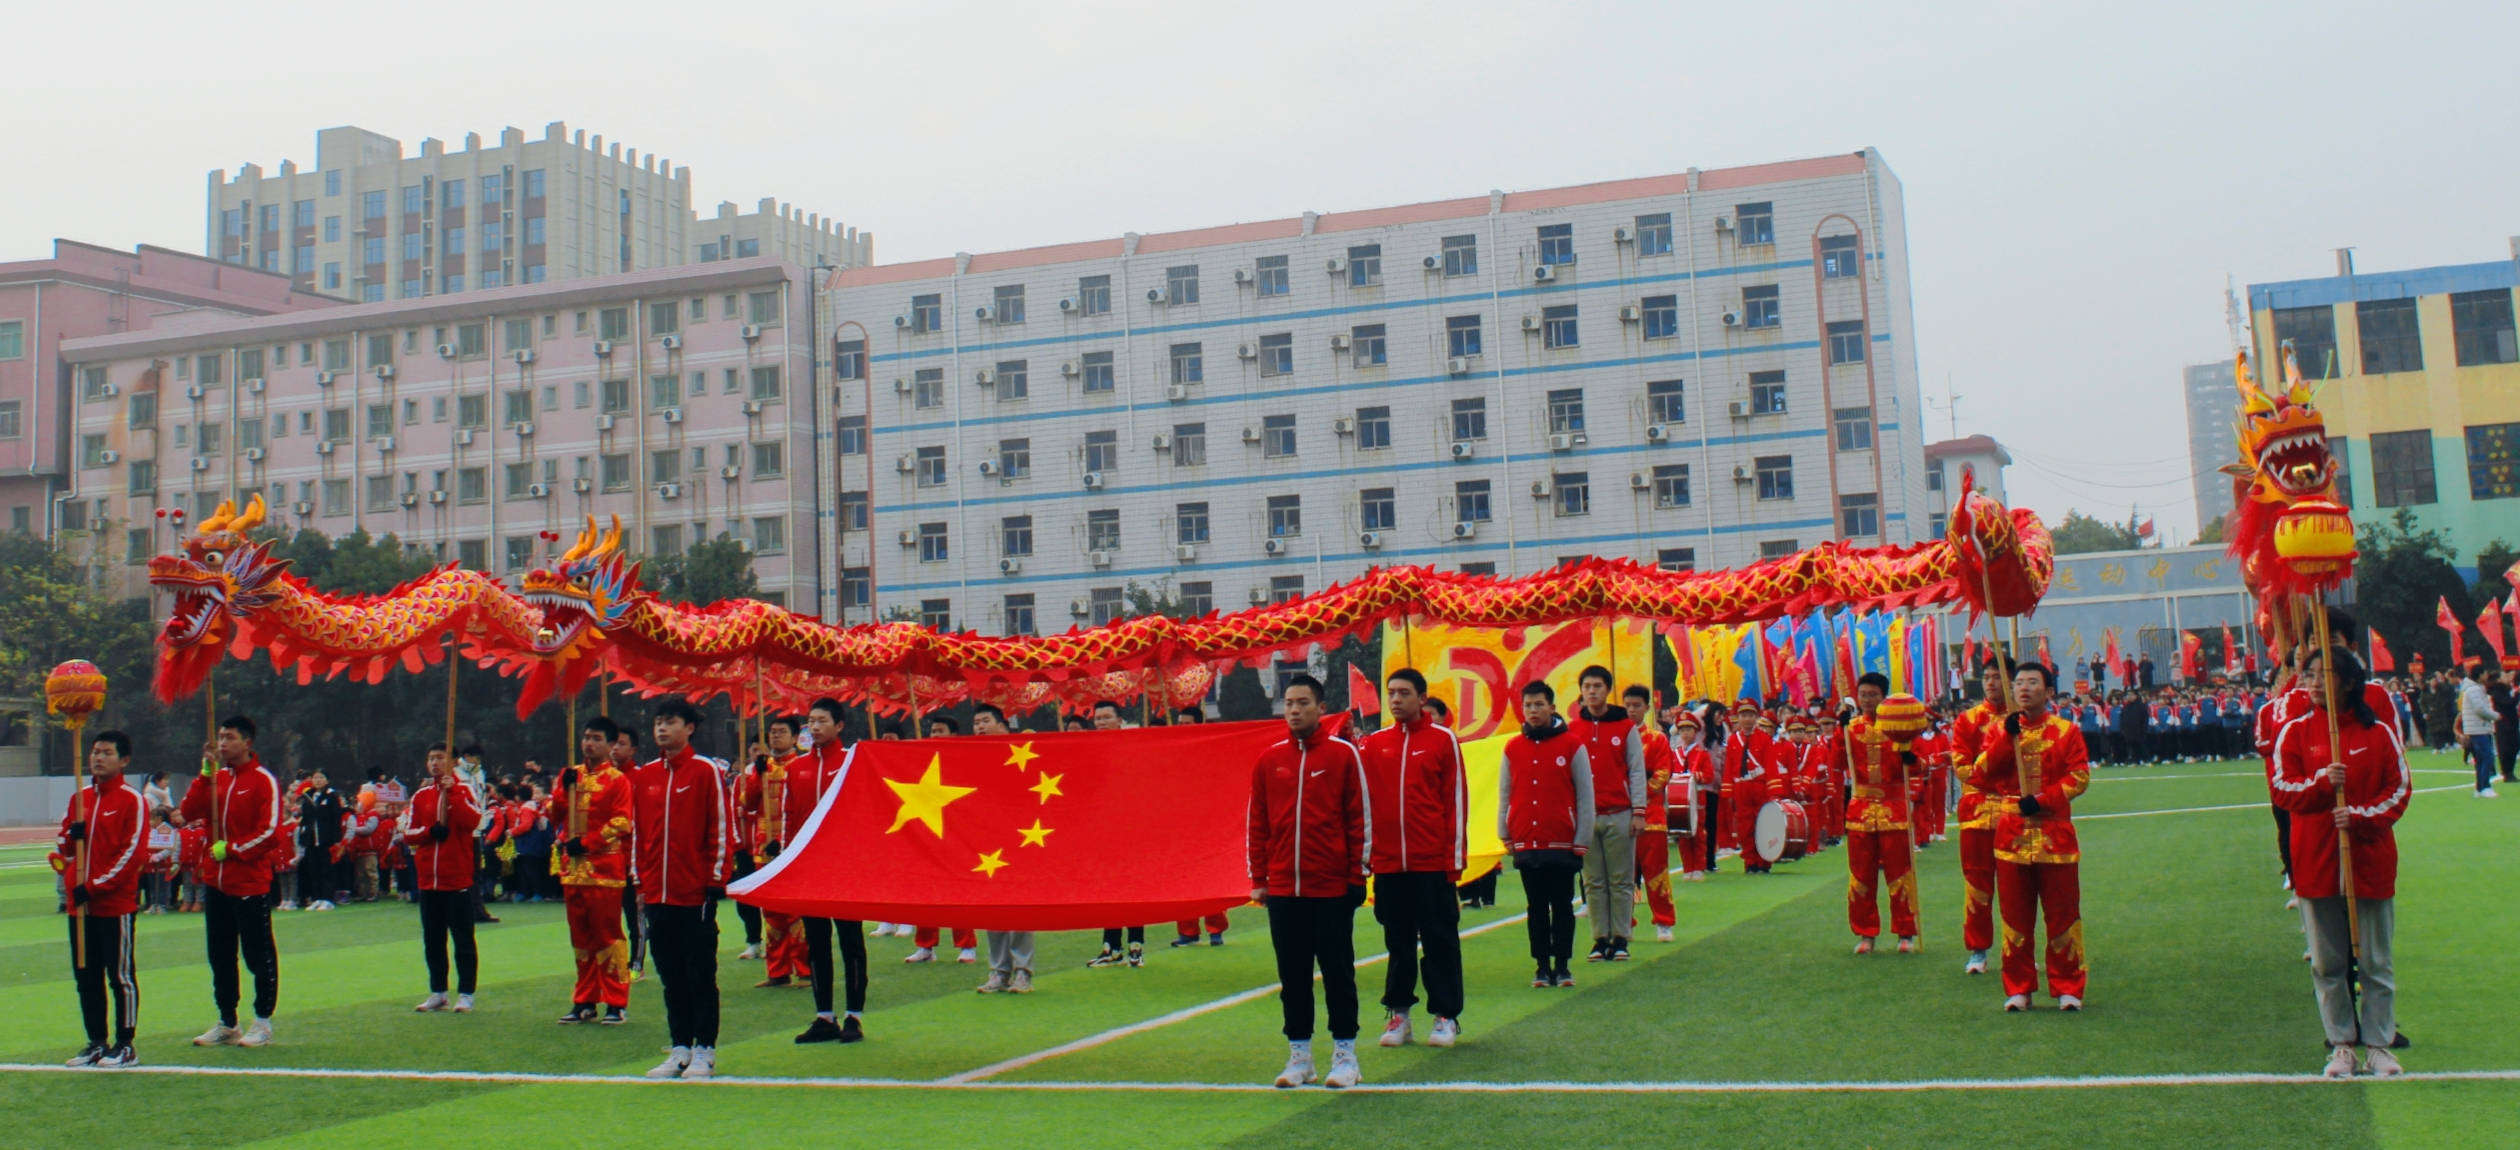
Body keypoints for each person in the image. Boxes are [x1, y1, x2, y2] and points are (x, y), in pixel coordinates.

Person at [2272, 646, 2410, 1078]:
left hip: (2369, 860)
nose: (2312, 683)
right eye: (2308, 675)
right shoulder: (2294, 732)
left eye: (2322, 674)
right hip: (2316, 862)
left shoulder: (2378, 733)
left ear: (2348, 682)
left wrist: (2360, 817)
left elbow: (2399, 790)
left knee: (2376, 962)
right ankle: (2341, 1045)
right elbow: (2282, 789)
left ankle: (2379, 1045)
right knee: (2327, 963)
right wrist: (2321, 783)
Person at [1247, 674, 1370, 1089]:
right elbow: (1257, 822)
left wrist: (1356, 874)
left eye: (1303, 702)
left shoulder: (1343, 755)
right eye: (1289, 703)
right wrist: (1259, 877)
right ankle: (1299, 1056)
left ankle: (1345, 1055)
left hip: (1332, 887)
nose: (1295, 710)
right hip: (1284, 889)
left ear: (1321, 708)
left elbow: (1360, 817)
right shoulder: (1269, 760)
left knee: (1338, 973)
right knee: (1293, 976)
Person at [1972, 662, 2091, 1011]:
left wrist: (2041, 800)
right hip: (2012, 837)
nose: (2024, 688)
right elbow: (1980, 774)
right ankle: (2019, 987)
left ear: (2049, 691)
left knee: (2063, 914)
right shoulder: (2000, 730)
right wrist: (2005, 741)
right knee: (2015, 916)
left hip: (2055, 835)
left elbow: (2079, 778)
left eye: (2032, 682)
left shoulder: (2067, 731)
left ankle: (2068, 986)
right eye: (2019, 682)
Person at [1359, 668, 1467, 1049]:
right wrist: (1367, 856)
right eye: (1391, 692)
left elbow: (1455, 800)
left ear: (1422, 698)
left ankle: (1446, 1015)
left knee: (1439, 940)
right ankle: (1399, 1014)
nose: (1395, 699)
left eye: (1404, 692)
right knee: (1398, 942)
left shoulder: (1443, 740)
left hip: (1431, 863)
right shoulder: (1373, 745)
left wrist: (1454, 859)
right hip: (1389, 864)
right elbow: (1363, 803)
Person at [633, 700, 733, 1080]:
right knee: (670, 974)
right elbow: (638, 832)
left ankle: (705, 1049)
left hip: (694, 893)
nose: (661, 728)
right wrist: (640, 881)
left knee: (700, 973)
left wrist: (715, 879)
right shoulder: (646, 775)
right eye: (658, 722)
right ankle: (680, 1048)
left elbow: (720, 827)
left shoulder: (705, 771)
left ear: (689, 728)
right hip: (657, 894)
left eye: (670, 722)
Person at [179, 715, 283, 1048]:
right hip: (216, 883)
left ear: (247, 742)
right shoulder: (218, 778)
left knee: (258, 954)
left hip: (250, 883)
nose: (222, 743)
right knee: (220, 955)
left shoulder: (263, 780)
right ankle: (227, 1020)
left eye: (230, 737)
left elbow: (270, 832)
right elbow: (188, 811)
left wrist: (234, 849)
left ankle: (263, 1021)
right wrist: (204, 775)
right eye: (220, 737)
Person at [57, 730, 148, 1068]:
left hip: (114, 905)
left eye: (106, 752)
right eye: (95, 752)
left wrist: (94, 886)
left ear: (124, 760)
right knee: (86, 975)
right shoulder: (79, 798)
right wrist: (72, 836)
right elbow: (64, 846)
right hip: (80, 906)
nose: (98, 758)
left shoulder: (132, 800)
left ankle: (125, 1044)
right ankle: (96, 1040)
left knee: (120, 976)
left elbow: (133, 854)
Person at [1500, 681, 1593, 989]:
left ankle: (1562, 965)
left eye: (1539, 704)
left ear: (1552, 707)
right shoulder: (1512, 748)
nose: (1533, 710)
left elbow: (1585, 796)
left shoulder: (1572, 745)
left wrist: (1582, 837)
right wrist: (1505, 831)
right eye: (1528, 705)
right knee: (1536, 906)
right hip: (1527, 839)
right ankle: (1541, 966)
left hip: (1562, 841)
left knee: (1563, 905)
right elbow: (1505, 793)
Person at [792, 699, 873, 1038]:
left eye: (822, 720)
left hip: (845, 868)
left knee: (850, 940)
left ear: (839, 725)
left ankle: (854, 1016)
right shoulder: (797, 768)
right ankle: (824, 1016)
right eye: (811, 721)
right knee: (816, 942)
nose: (815, 727)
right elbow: (790, 818)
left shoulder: (854, 762)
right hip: (809, 869)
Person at [548, 717, 635, 1025]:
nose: (589, 743)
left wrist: (586, 843)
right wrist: (564, 790)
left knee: (607, 936)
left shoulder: (617, 780)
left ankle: (616, 1001)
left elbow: (621, 823)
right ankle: (584, 1000)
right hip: (573, 870)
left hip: (604, 871)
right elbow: (554, 814)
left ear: (611, 745)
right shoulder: (570, 775)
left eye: (597, 738)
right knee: (581, 938)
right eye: (586, 737)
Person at [1564, 667, 1647, 963]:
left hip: (1620, 812)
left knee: (1621, 879)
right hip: (1586, 817)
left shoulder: (1625, 727)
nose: (1592, 691)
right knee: (1593, 881)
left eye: (1597, 686)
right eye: (1587, 686)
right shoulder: (1573, 730)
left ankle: (1621, 937)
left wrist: (1639, 811)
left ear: (1608, 690)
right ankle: (1600, 939)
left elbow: (1636, 770)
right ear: (1581, 691)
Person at [962, 704, 1039, 993]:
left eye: (985, 721)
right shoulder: (971, 757)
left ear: (1002, 724)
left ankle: (1022, 972)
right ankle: (998, 971)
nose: (980, 727)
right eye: (976, 723)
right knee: (992, 908)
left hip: (1022, 839)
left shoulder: (1024, 750)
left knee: (1019, 908)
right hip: (987, 842)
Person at [1841, 675, 1919, 955]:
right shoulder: (1850, 728)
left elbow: (1917, 766)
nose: (1867, 700)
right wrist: (1839, 733)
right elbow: (1836, 762)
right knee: (1861, 874)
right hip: (1860, 811)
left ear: (1883, 697)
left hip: (1893, 809)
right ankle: (1866, 932)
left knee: (1900, 873)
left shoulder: (1898, 727)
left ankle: (1905, 931)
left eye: (1873, 695)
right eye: (1863, 694)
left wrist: (1910, 758)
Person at [403, 743, 484, 1014]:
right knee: (433, 939)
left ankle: (467, 993)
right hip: (429, 881)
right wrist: (429, 832)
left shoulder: (465, 789)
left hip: (457, 879)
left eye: (440, 758)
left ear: (452, 761)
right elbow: (409, 833)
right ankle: (438, 991)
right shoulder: (421, 795)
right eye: (431, 758)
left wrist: (454, 794)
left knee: (463, 939)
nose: (434, 763)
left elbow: (474, 821)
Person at [1949, 659, 2011, 974]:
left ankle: (2018, 950)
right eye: (1987, 677)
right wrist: (1992, 765)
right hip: (1976, 812)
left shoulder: (2024, 720)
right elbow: (1962, 767)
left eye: (1998, 677)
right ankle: (1978, 950)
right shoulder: (1968, 720)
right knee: (1977, 883)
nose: (1991, 683)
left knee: (2017, 887)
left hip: (2014, 811)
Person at [742, 716, 814, 988]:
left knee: (796, 911)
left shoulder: (802, 766)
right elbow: (748, 804)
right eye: (772, 732)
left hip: (793, 846)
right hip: (765, 846)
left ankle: (805, 969)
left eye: (781, 732)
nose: (775, 736)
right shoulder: (762, 767)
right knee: (771, 912)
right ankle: (777, 970)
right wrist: (755, 775)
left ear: (795, 738)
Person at [1088, 700, 1149, 967]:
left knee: (1133, 888)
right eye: (1097, 718)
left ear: (1119, 720)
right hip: (1102, 832)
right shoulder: (1089, 751)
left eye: (1106, 717)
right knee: (1108, 890)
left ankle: (1136, 946)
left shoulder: (1133, 749)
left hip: (1132, 830)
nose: (1101, 722)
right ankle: (1111, 947)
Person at [1624, 686, 1679, 941]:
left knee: (1656, 871)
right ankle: (1625, 923)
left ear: (1647, 707)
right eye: (1627, 705)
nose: (1631, 710)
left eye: (1636, 705)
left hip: (1651, 816)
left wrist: (1637, 794)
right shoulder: (1617, 740)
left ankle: (1664, 922)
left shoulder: (1658, 739)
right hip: (1622, 816)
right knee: (1624, 875)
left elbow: (1662, 774)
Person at [608, 728, 649, 979]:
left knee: (635, 915)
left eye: (621, 744)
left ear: (633, 749)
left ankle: (636, 963)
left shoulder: (640, 777)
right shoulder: (603, 777)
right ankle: (614, 961)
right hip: (607, 858)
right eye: (613, 743)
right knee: (608, 917)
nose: (615, 748)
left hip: (631, 858)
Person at [1669, 711, 1714, 882]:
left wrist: (1697, 776)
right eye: (1682, 730)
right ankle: (1687, 867)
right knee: (1683, 835)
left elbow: (1709, 776)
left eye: (1689, 730)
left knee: (1698, 834)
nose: (1686, 733)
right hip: (1679, 799)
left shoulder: (1702, 753)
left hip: (1697, 798)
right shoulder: (1675, 753)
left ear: (1695, 732)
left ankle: (1698, 867)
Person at [2458, 664, 2499, 797]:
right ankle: (2485, 787)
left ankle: (2480, 787)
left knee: (2481, 759)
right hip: (2478, 729)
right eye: (2485, 673)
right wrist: (2495, 716)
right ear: (2480, 675)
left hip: (2476, 728)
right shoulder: (2474, 689)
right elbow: (2480, 709)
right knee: (2486, 757)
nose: (2487, 675)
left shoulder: (2473, 688)